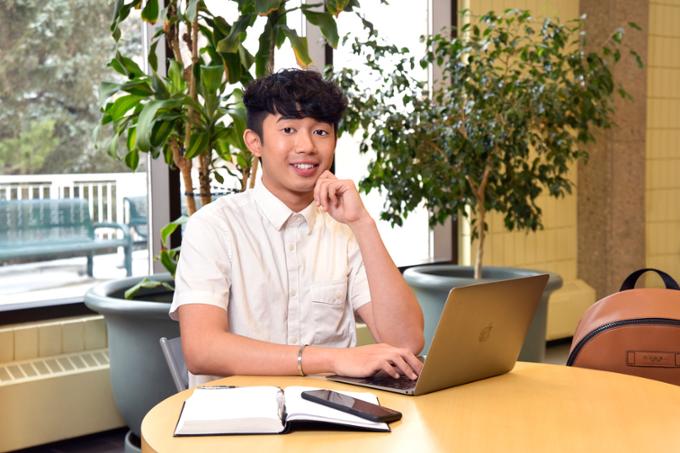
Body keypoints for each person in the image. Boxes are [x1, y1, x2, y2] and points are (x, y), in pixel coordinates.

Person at [169, 69, 424, 387]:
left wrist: (363, 224)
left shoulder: (345, 228)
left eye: (320, 132)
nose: (306, 146)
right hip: (239, 423)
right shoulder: (213, 227)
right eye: (288, 129)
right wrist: (332, 358)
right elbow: (202, 350)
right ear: (255, 143)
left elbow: (406, 341)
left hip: (332, 416)